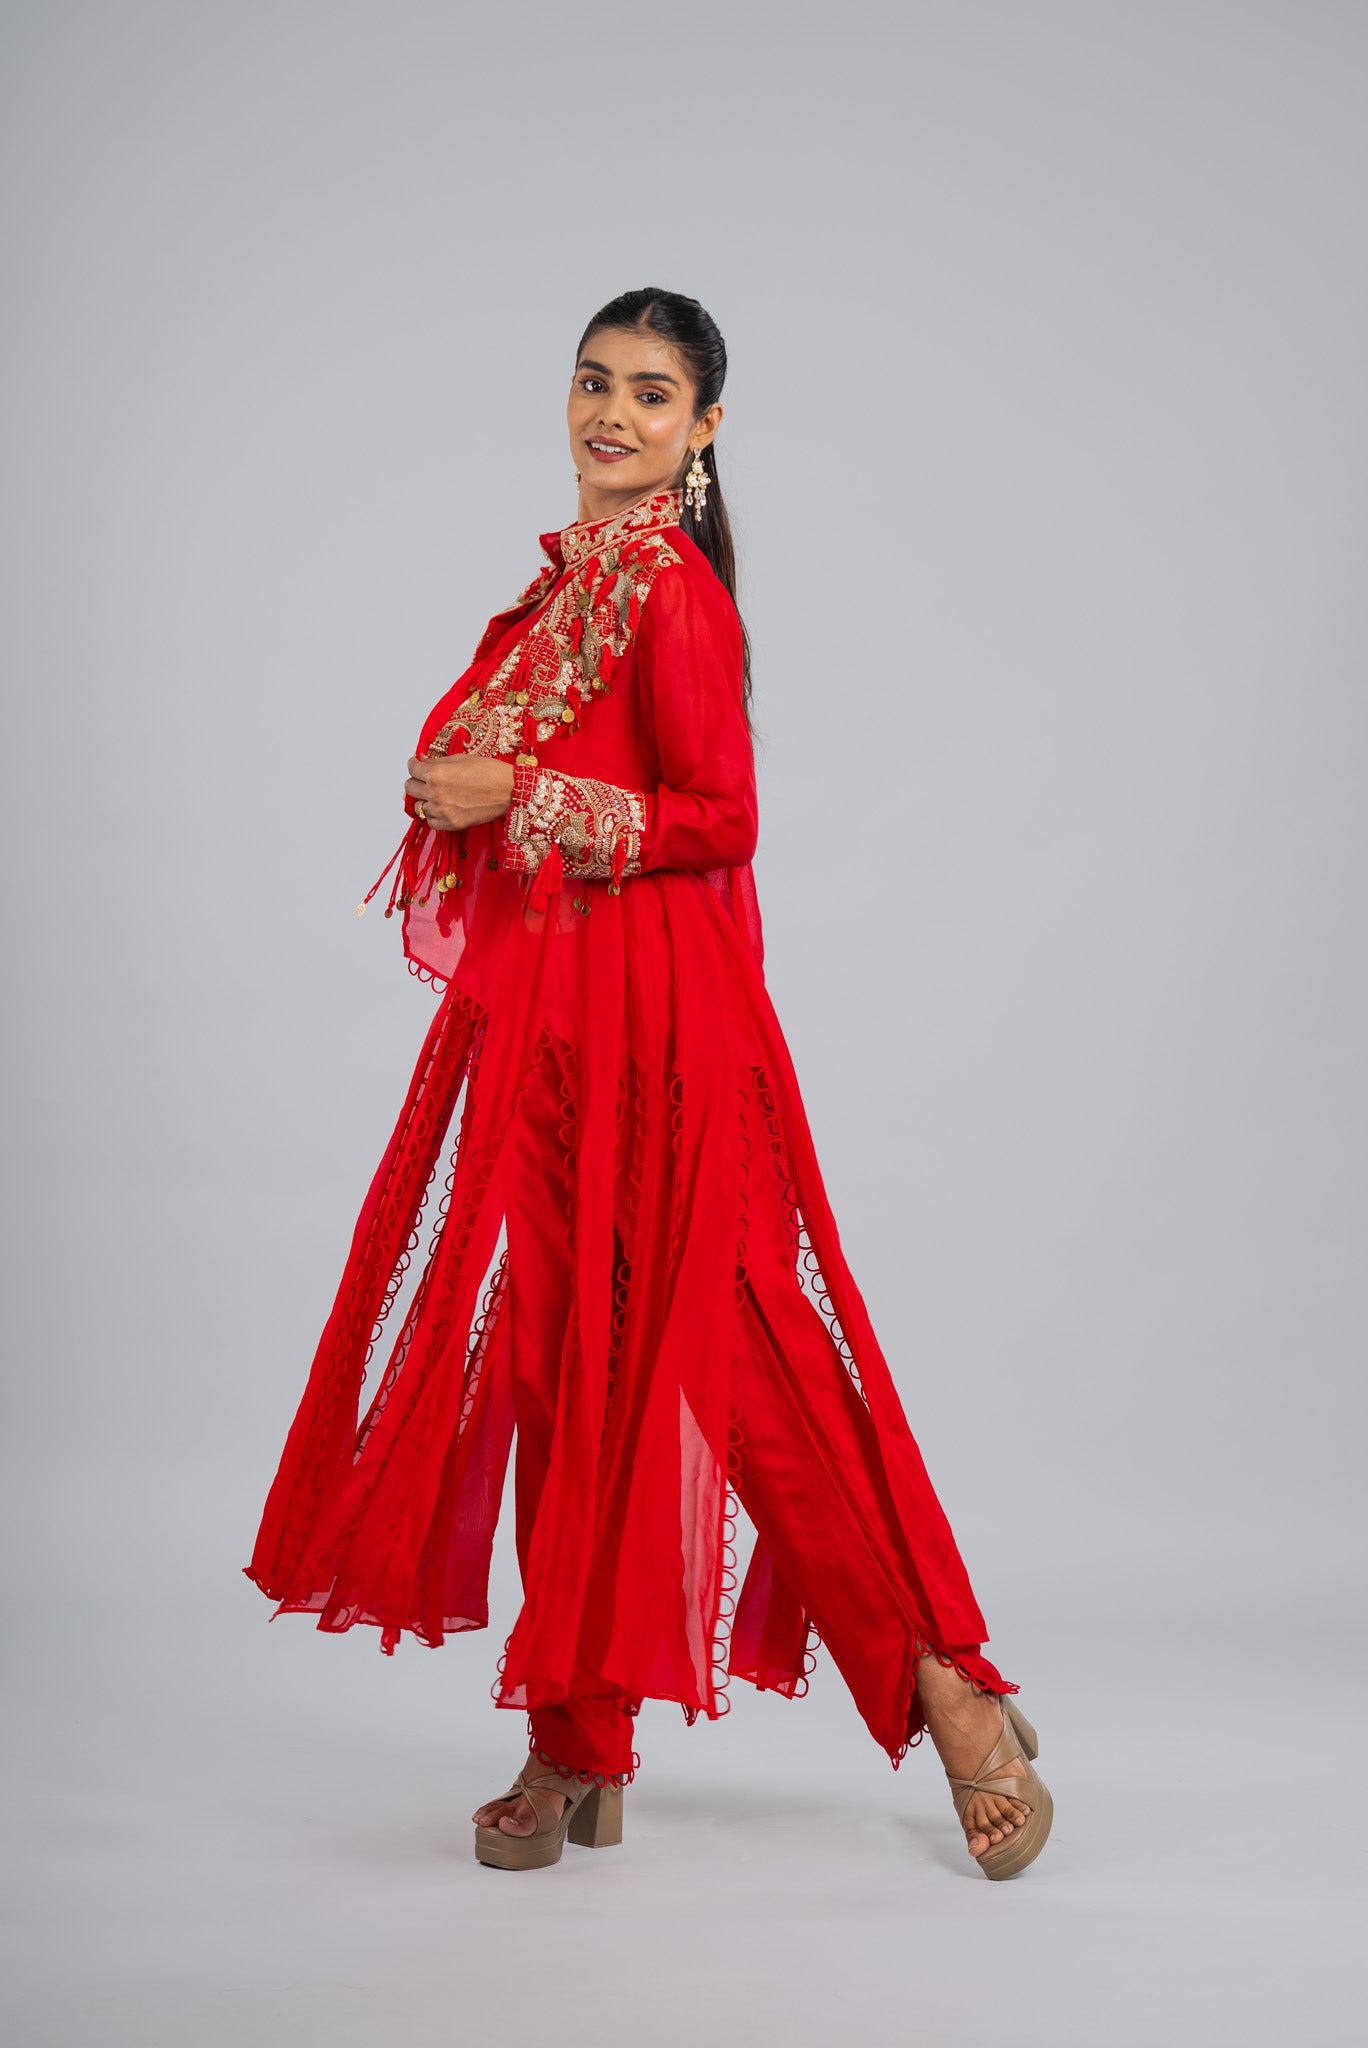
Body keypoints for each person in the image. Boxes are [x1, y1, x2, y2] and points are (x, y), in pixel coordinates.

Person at [243, 287, 1053, 1882]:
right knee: (565, 1364)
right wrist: (468, 790)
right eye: (593, 381)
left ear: (704, 428)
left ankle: (947, 1686)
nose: (613, 413)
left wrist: (519, 792)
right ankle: (573, 1736)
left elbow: (721, 818)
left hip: (667, 1034)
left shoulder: (671, 591)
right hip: (547, 1038)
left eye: (652, 393)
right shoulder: (566, 588)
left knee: (741, 1361)